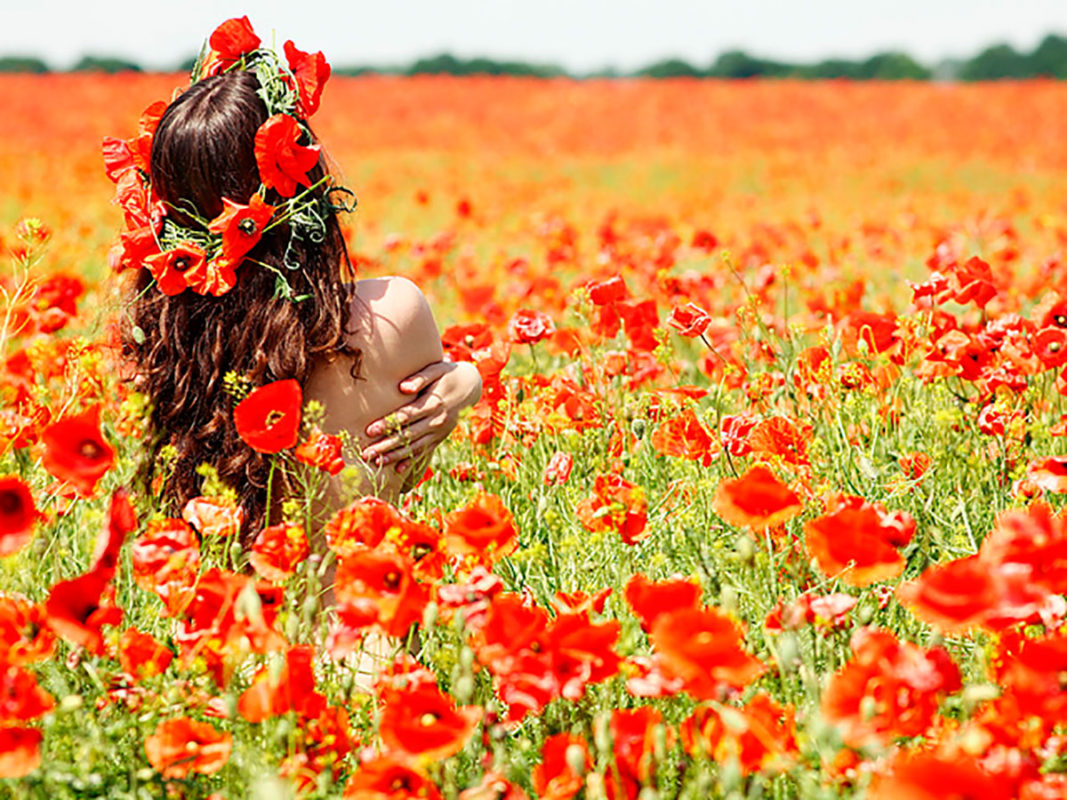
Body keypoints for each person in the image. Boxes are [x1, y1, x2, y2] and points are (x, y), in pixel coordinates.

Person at [111, 21, 481, 543]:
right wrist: (468, 381)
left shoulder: (157, 357)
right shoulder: (395, 315)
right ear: (303, 181)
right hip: (364, 596)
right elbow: (405, 469)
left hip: (217, 600)